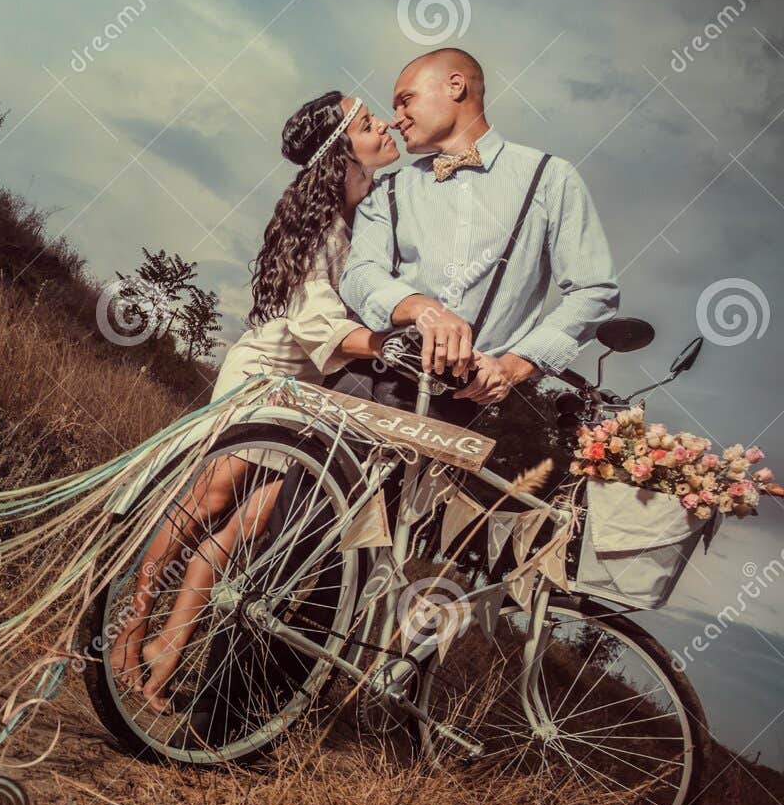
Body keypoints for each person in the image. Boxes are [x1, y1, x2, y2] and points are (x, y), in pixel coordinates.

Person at [113, 90, 399, 712]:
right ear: (341, 150)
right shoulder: (321, 222)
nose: (385, 124)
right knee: (208, 500)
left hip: (309, 395)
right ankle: (128, 626)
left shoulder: (367, 215)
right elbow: (315, 322)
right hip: (268, 377)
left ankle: (169, 646)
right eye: (368, 121)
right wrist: (389, 344)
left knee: (243, 529)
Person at [336, 48, 619, 424]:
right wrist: (421, 307)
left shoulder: (550, 177)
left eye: (406, 101)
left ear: (456, 86)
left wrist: (514, 365)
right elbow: (358, 275)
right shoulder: (389, 186)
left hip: (464, 404)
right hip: (366, 379)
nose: (395, 119)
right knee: (308, 482)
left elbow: (593, 290)